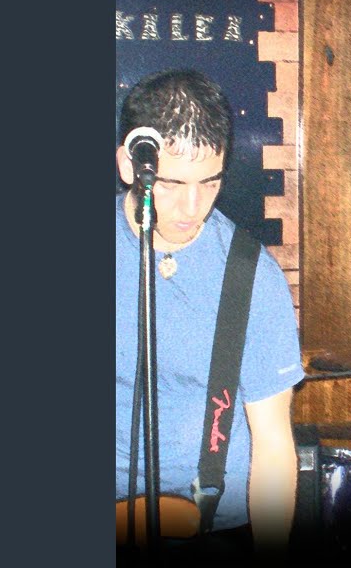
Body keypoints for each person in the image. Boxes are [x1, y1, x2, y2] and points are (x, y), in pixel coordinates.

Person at [115, 69, 305, 563]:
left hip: (211, 526)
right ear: (130, 164)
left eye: (210, 181)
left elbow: (272, 443)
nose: (191, 206)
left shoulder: (250, 275)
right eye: (172, 183)